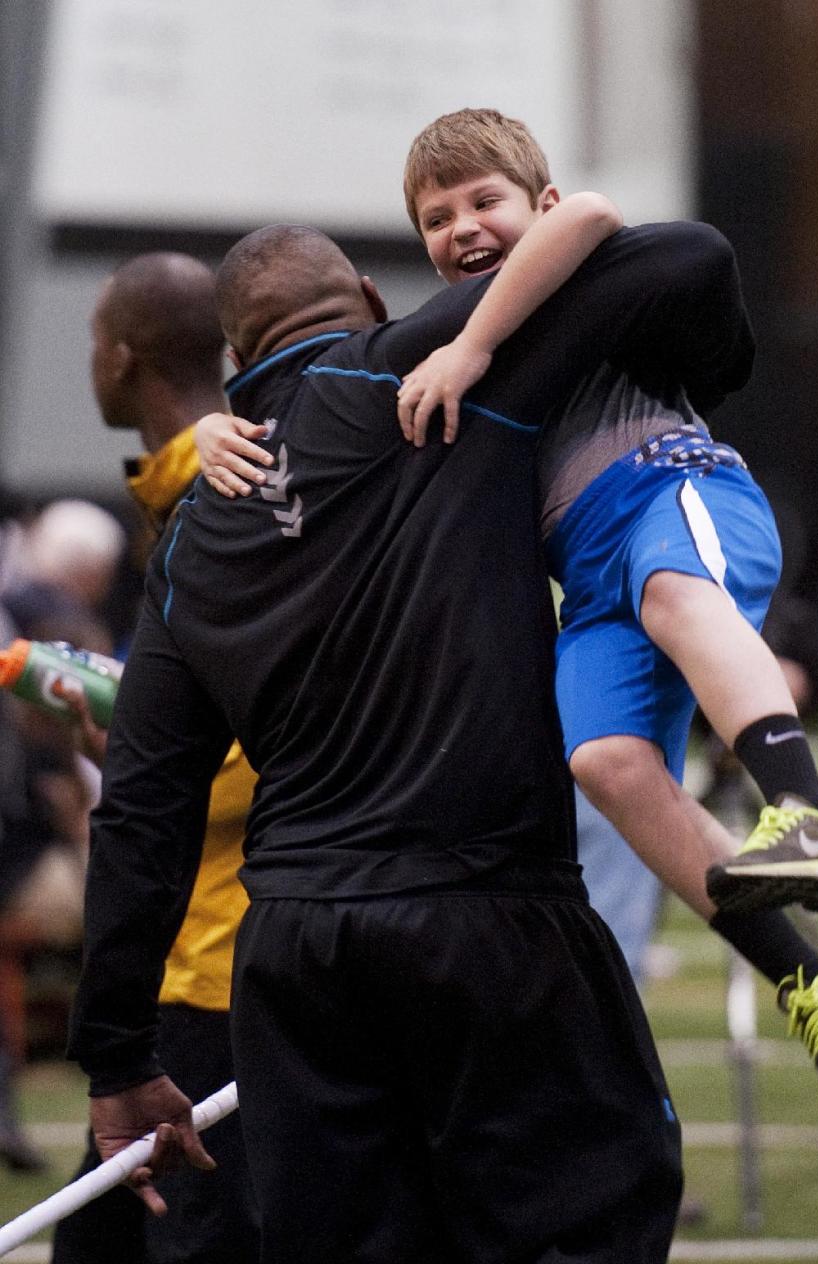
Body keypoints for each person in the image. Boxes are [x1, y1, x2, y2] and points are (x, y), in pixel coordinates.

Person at [63, 217, 775, 1263]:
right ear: (367, 291)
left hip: (299, 964)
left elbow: (139, 811)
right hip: (491, 922)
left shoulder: (195, 537)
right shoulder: (424, 380)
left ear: (233, 362)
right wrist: (489, 340)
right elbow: (694, 257)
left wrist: (116, 1058)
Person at [199, 109, 818, 1108]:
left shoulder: (571, 281)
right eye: (436, 219)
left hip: (671, 490)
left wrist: (477, 345)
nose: (462, 228)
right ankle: (817, 980)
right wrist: (211, 434)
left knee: (672, 596)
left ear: (540, 204)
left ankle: (807, 809)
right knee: (606, 763)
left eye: (484, 201)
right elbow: (315, 411)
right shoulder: (434, 342)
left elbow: (601, 215)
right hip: (591, 576)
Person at [51, 253, 259, 1264]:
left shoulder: (207, 491)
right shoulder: (205, 481)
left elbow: (261, 736)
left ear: (122, 359)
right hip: (208, 953)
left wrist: (135, 746)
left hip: (213, 963)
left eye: (95, 341)